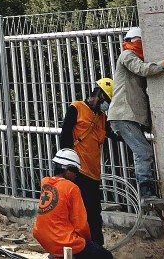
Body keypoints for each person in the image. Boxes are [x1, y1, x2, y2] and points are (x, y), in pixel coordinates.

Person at [107, 25, 164, 208]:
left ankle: (149, 192)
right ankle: (146, 194)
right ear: (133, 42)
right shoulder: (127, 55)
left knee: (145, 152)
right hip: (123, 115)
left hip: (129, 115)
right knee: (143, 152)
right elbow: (142, 69)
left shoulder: (132, 55)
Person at [59, 78, 114, 245]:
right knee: (79, 212)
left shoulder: (102, 117)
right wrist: (68, 166)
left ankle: (96, 248)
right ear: (98, 94)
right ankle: (78, 246)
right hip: (78, 172)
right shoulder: (77, 108)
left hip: (93, 173)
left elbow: (112, 133)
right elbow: (65, 136)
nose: (106, 105)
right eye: (106, 100)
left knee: (94, 213)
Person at [33, 148, 113, 259]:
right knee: (105, 256)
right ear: (67, 169)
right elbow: (80, 224)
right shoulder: (72, 188)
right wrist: (88, 242)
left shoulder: (46, 182)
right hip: (63, 240)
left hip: (42, 237)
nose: (77, 175)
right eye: (75, 171)